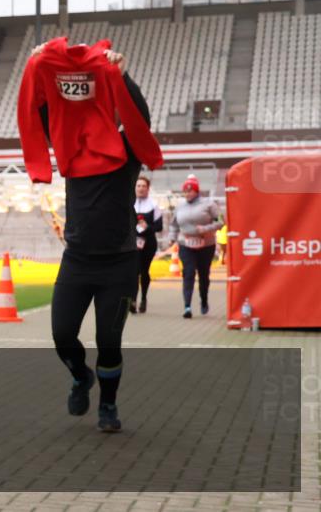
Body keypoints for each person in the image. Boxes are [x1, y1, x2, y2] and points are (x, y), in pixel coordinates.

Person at [18, 38, 164, 434]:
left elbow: (141, 118)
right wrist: (37, 63)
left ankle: (109, 406)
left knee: (109, 340)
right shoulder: (71, 150)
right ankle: (81, 376)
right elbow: (46, 111)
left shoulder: (127, 152)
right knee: (62, 336)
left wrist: (121, 73)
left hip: (119, 262)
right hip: (78, 261)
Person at [168, 175, 222, 318]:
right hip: (186, 244)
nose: (188, 193)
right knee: (189, 272)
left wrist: (206, 229)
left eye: (191, 191)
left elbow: (221, 221)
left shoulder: (209, 204)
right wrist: (172, 238)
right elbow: (174, 225)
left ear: (197, 191)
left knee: (204, 275)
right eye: (185, 191)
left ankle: (204, 300)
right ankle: (187, 306)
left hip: (206, 244)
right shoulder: (180, 206)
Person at [132, 175, 163, 314]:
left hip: (148, 243)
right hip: (132, 243)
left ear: (148, 189)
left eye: (144, 186)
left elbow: (159, 226)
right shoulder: (130, 204)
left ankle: (143, 298)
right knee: (133, 271)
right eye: (138, 186)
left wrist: (147, 226)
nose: (141, 188)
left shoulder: (154, 206)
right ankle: (132, 299)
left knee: (144, 271)